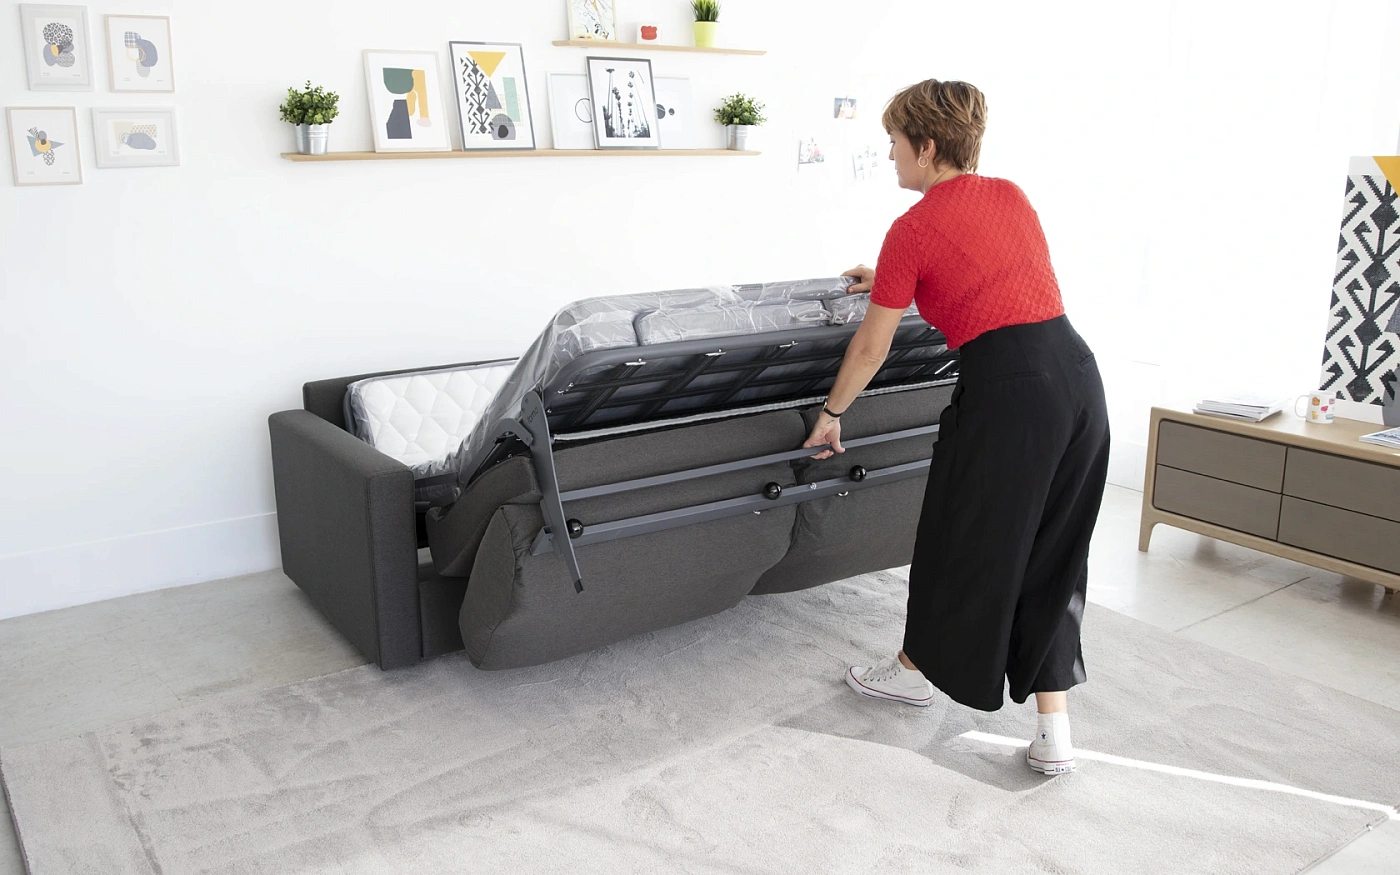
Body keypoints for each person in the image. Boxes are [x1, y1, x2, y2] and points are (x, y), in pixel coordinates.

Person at [801, 78, 1110, 775]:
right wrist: (890, 277)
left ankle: (914, 673)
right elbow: (989, 278)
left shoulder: (912, 229)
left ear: (927, 145)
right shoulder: (1010, 196)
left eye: (894, 143)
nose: (890, 155)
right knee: (1055, 550)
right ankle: (1054, 733)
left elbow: (870, 348)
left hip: (1009, 394)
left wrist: (832, 414)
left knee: (954, 533)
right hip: (1079, 380)